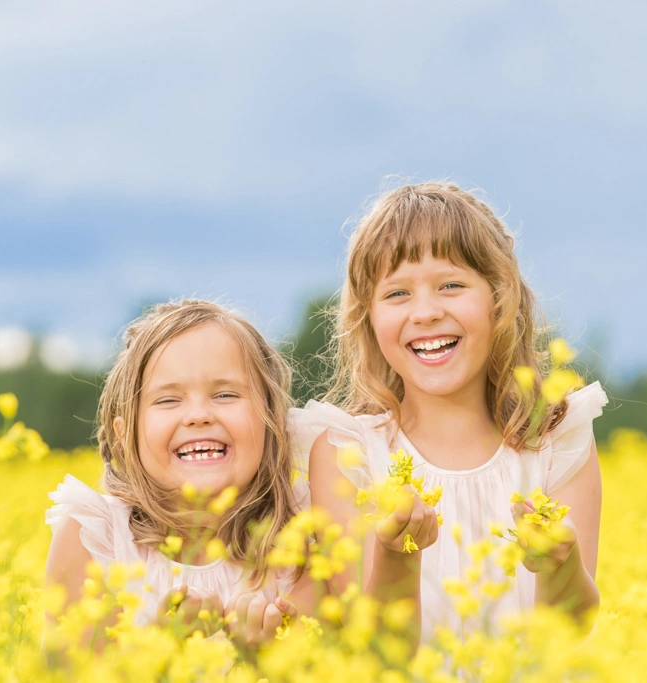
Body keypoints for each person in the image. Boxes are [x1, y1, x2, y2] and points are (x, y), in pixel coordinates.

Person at [295, 182, 607, 640]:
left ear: (499, 298)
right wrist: (396, 553)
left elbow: (570, 631)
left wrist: (561, 564)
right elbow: (374, 648)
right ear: (369, 317)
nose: (425, 312)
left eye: (451, 285)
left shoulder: (556, 441)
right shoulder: (348, 454)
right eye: (397, 294)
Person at [44, 299, 307, 654]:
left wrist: (268, 661)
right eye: (168, 400)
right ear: (125, 435)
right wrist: (158, 652)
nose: (198, 415)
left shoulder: (303, 533)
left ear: (271, 420)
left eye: (226, 394)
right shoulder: (96, 538)